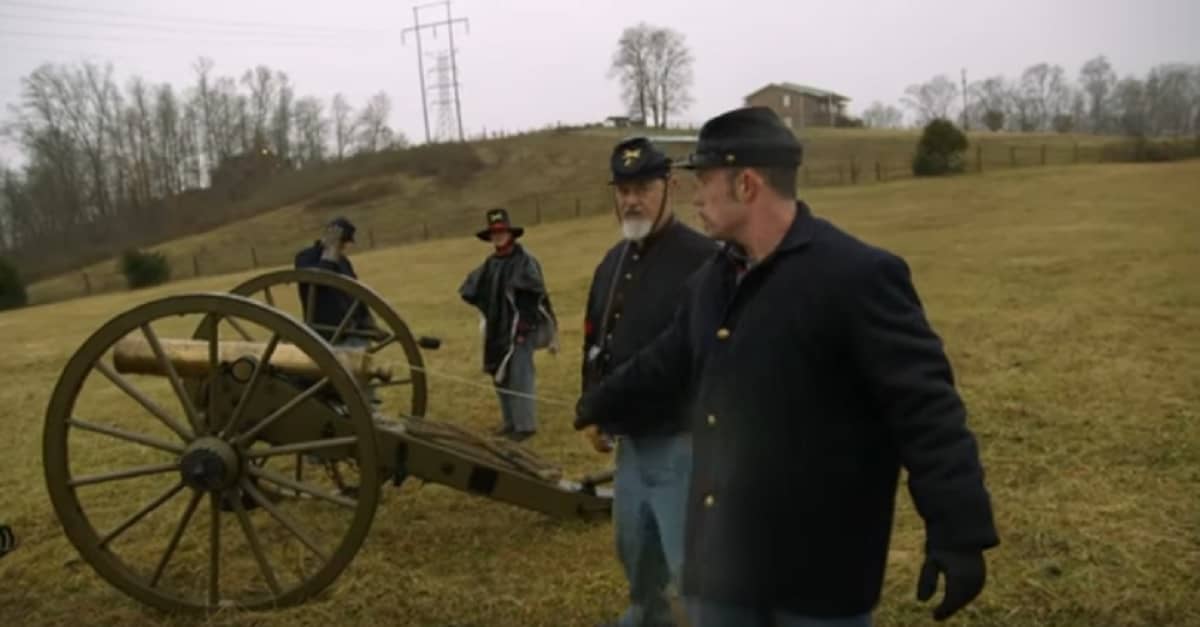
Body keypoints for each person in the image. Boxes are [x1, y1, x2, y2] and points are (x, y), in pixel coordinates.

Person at [574, 107, 999, 627]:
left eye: (704, 180)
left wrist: (958, 531)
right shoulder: (712, 282)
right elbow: (666, 360)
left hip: (814, 587)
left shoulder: (857, 277)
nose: (695, 195)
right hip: (723, 577)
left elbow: (928, 413)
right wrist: (597, 402)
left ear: (747, 185)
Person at [583, 137, 717, 627]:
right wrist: (595, 404)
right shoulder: (612, 262)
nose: (631, 200)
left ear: (671, 187)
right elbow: (597, 336)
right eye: (622, 189)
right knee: (635, 554)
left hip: (684, 443)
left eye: (642, 187)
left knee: (694, 569)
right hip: (631, 446)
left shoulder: (705, 260)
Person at [459, 208, 558, 442]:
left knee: (520, 375)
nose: (498, 236)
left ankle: (525, 426)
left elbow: (535, 294)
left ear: (510, 233)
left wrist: (524, 326)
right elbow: (473, 288)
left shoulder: (525, 261)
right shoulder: (491, 263)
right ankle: (510, 422)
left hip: (520, 328)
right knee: (499, 375)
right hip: (497, 327)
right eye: (494, 233)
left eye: (501, 231)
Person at [293, 216, 380, 406]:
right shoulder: (305, 257)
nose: (343, 247)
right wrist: (329, 252)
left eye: (344, 244)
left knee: (363, 374)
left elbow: (356, 293)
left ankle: (370, 412)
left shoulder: (344, 262)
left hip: (352, 329)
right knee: (341, 383)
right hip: (326, 331)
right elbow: (317, 279)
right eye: (341, 243)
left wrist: (369, 323)